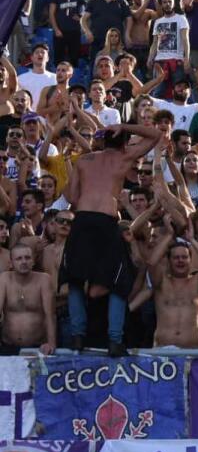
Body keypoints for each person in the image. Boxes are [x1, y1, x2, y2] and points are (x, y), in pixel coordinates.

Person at [61, 123, 161, 355]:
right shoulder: (125, 158)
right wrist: (124, 124)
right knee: (118, 281)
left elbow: (71, 197)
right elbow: (156, 135)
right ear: (125, 142)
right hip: (106, 221)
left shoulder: (84, 160)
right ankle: (115, 340)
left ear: (103, 141)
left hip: (83, 219)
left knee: (75, 278)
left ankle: (77, 335)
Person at [128, 229, 198, 348]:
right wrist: (169, 235)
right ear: (169, 261)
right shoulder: (161, 282)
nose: (180, 260)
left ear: (190, 260)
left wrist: (192, 240)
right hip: (163, 350)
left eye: (184, 257)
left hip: (193, 350)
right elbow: (151, 263)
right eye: (176, 257)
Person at [0, 243, 55, 354]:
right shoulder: (4, 279)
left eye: (27, 258)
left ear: (33, 261)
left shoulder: (43, 280)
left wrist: (51, 343)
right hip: (8, 345)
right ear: (11, 263)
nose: (24, 262)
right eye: (19, 259)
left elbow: (50, 315)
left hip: (37, 346)